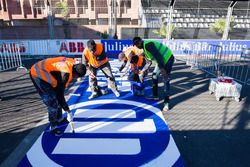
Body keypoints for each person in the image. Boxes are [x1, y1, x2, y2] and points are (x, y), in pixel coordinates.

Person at [30, 57, 86, 136]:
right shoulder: (65, 74)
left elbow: (59, 92)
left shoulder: (72, 64)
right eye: (77, 77)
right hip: (38, 74)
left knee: (56, 95)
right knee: (52, 102)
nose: (76, 78)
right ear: (75, 74)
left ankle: (59, 118)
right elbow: (60, 95)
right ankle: (53, 126)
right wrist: (68, 111)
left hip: (45, 70)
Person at [133, 37, 175, 111]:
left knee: (165, 79)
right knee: (154, 75)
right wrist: (142, 71)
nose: (136, 46)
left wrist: (163, 70)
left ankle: (166, 103)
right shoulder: (145, 50)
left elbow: (158, 57)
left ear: (139, 42)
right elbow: (149, 63)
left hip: (168, 58)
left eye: (136, 44)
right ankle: (155, 95)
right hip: (162, 60)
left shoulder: (148, 45)